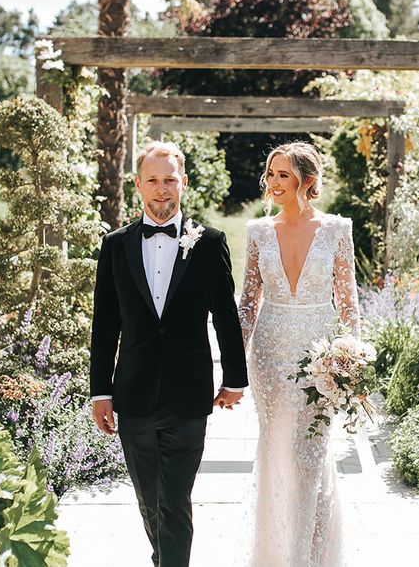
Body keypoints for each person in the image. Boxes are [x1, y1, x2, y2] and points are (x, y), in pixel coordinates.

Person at [90, 140, 248, 567]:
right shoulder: (115, 246)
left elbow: (225, 316)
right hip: (134, 393)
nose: (162, 189)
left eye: (170, 180)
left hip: (188, 395)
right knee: (149, 501)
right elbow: (105, 325)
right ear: (139, 184)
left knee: (174, 498)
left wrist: (235, 378)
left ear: (184, 183)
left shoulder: (210, 242)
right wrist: (99, 392)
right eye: (153, 180)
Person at [238, 141, 361, 567]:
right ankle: (274, 555)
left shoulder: (335, 230)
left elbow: (348, 302)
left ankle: (309, 556)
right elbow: (247, 303)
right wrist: (237, 362)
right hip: (268, 357)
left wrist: (352, 360)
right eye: (270, 174)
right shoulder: (258, 232)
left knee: (310, 454)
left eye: (283, 175)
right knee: (276, 451)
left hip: (319, 357)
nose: (273, 183)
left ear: (307, 181)